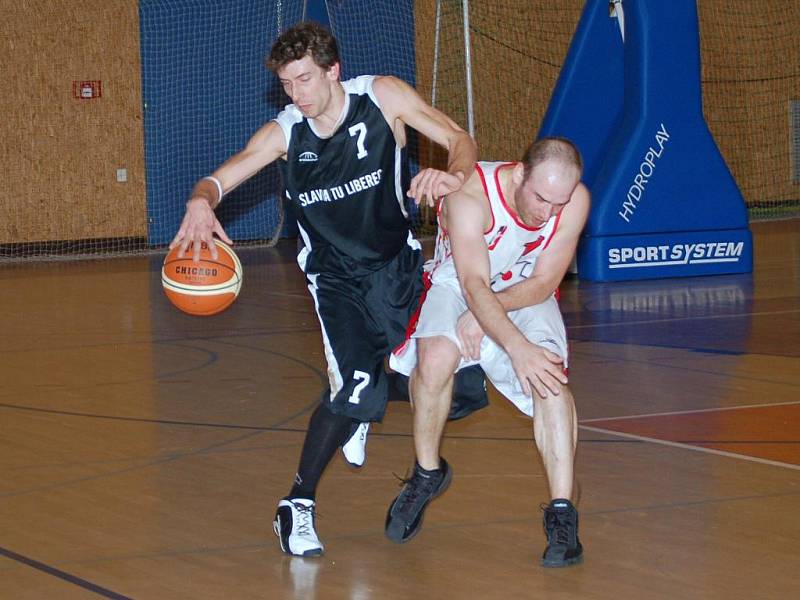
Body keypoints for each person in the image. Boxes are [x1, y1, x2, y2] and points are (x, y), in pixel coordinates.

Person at [170, 21, 486, 557]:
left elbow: (460, 139)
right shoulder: (285, 133)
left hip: (399, 268)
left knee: (467, 393)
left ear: (333, 71)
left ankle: (371, 415)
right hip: (335, 280)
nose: (295, 94)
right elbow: (219, 180)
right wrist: (201, 200)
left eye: (304, 80)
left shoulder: (382, 97)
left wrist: (454, 176)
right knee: (357, 386)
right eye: (287, 84)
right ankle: (297, 504)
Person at [387, 137, 590, 567]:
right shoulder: (469, 197)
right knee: (436, 358)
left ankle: (562, 515)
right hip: (460, 284)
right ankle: (427, 473)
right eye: (540, 199)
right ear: (520, 173)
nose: (548, 213)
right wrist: (515, 347)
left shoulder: (574, 202)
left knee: (549, 379)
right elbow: (474, 285)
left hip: (524, 293)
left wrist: (502, 330)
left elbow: (543, 282)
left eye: (560, 202)